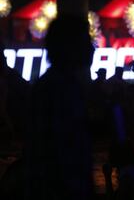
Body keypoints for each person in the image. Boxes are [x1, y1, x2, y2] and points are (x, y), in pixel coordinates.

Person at [25, 16, 94, 200]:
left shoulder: (58, 85)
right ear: (70, 46)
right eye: (86, 40)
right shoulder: (60, 89)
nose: (92, 47)